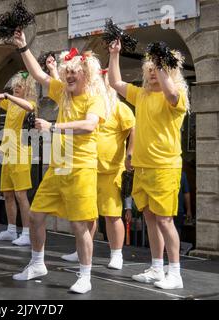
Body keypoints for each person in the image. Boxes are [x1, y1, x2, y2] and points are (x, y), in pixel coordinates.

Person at [11, 30, 109, 294]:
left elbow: (89, 126)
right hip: (58, 167)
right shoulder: (63, 93)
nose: (69, 76)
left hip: (81, 167)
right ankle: (37, 263)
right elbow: (40, 75)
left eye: (74, 72)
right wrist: (23, 48)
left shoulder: (95, 99)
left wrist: (53, 126)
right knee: (35, 215)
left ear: (86, 74)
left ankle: (85, 276)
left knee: (79, 225)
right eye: (67, 72)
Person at [109, 39, 189, 289]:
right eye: (150, 67)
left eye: (158, 67)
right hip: (142, 167)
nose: (153, 70)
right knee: (151, 218)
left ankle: (174, 273)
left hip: (165, 167)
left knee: (165, 221)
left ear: (169, 69)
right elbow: (115, 83)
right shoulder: (141, 95)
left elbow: (172, 93)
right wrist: (114, 54)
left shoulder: (176, 96)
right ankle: (156, 268)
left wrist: (162, 62)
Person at [61, 70, 136, 270]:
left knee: (112, 215)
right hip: (88, 167)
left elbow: (133, 129)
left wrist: (131, 153)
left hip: (111, 171)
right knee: (87, 214)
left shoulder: (120, 108)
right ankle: (82, 251)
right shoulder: (92, 106)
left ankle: (117, 254)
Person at [0, 63, 37, 246]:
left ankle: (27, 233)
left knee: (21, 195)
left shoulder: (29, 103)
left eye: (19, 86)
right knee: (7, 193)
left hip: (22, 153)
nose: (15, 88)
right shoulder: (11, 103)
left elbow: (30, 107)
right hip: (7, 153)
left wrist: (7, 96)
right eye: (14, 86)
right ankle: (12, 230)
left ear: (27, 88)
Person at [174, 171, 192, 238]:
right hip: (177, 209)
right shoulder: (181, 174)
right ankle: (176, 247)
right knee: (177, 232)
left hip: (175, 209)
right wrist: (188, 210)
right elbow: (186, 193)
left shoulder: (182, 174)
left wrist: (188, 210)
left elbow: (186, 193)